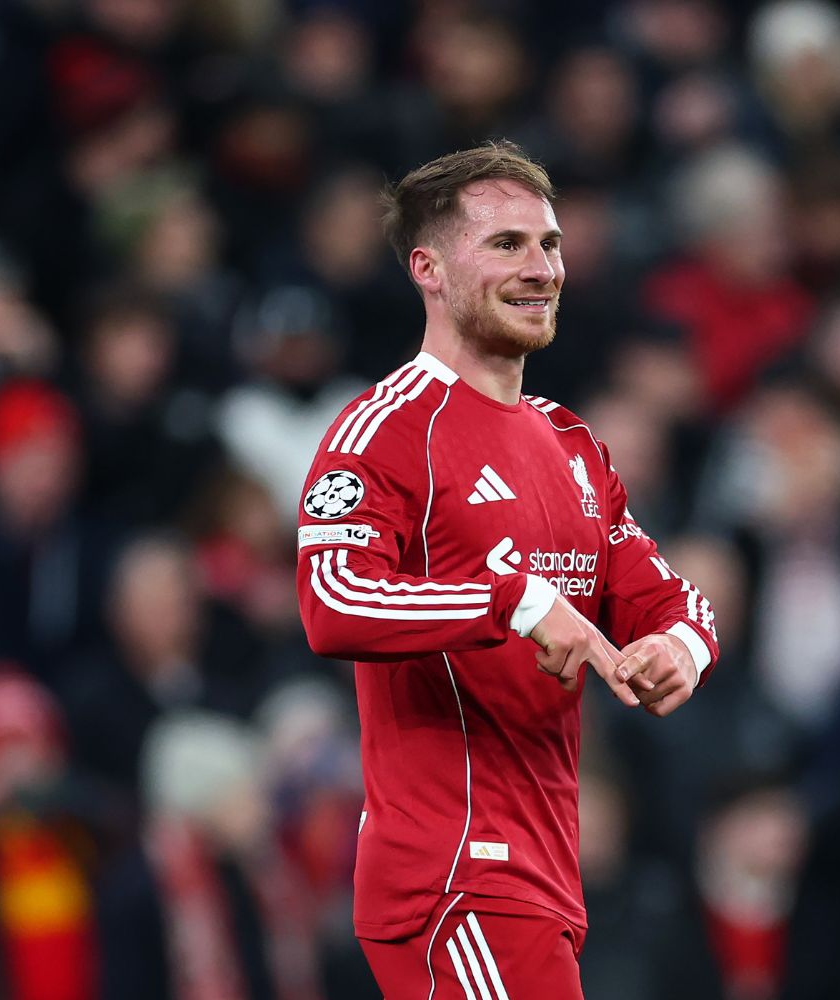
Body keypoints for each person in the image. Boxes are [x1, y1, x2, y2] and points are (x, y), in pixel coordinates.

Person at [294, 141, 720, 998]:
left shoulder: (571, 444)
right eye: (506, 245)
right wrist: (521, 601)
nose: (541, 269)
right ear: (430, 269)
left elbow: (673, 600)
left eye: (550, 244)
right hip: (453, 872)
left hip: (543, 870)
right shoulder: (382, 429)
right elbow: (332, 604)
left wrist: (680, 647)